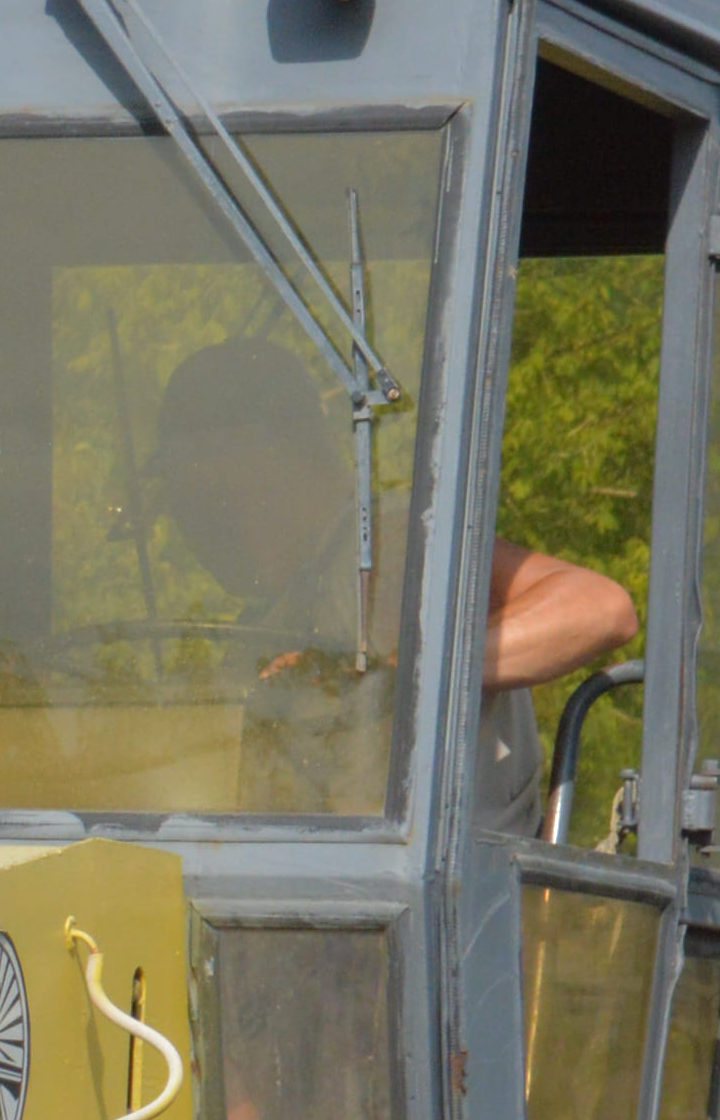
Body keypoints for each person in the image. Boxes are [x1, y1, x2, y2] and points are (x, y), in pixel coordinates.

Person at [154, 336, 635, 833]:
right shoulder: (268, 621)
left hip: (451, 874)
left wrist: (403, 674)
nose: (187, 526)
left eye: (193, 496)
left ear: (260, 458)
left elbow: (599, 608)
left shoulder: (385, 545)